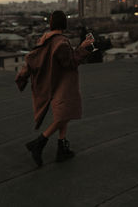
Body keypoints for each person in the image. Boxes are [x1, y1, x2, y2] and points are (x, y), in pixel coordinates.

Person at [15, 10, 94, 166]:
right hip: (63, 83)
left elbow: (34, 57)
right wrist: (83, 48)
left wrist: (23, 76)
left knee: (64, 114)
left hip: (52, 83)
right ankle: (39, 143)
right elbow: (70, 62)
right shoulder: (61, 42)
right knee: (64, 115)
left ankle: (61, 148)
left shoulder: (46, 38)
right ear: (64, 24)